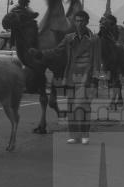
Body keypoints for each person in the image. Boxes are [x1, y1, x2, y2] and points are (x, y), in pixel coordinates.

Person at [31, 10, 100, 144]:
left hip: (86, 78)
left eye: (82, 21)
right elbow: (56, 51)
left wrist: (96, 80)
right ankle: (74, 135)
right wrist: (41, 54)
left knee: (82, 106)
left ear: (87, 22)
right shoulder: (69, 38)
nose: (79, 23)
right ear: (74, 22)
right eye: (77, 21)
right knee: (71, 107)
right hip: (71, 77)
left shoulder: (94, 40)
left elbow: (97, 61)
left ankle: (84, 134)